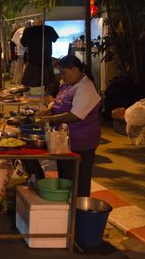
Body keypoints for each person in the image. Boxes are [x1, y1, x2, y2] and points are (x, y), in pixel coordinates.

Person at [36, 55, 102, 197]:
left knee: (79, 181)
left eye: (64, 72)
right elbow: (59, 104)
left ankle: (78, 212)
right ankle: (67, 207)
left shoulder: (86, 87)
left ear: (75, 69)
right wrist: (48, 110)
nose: (62, 76)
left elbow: (76, 115)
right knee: (66, 177)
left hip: (82, 141)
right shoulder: (68, 84)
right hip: (65, 140)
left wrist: (50, 118)